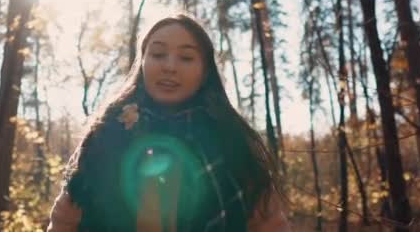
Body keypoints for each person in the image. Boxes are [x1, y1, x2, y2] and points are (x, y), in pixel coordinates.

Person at [47, 13, 291, 231]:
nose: (169, 67)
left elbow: (269, 223)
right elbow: (65, 221)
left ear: (205, 71)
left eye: (186, 57)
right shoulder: (108, 132)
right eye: (158, 54)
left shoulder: (231, 140)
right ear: (142, 62)